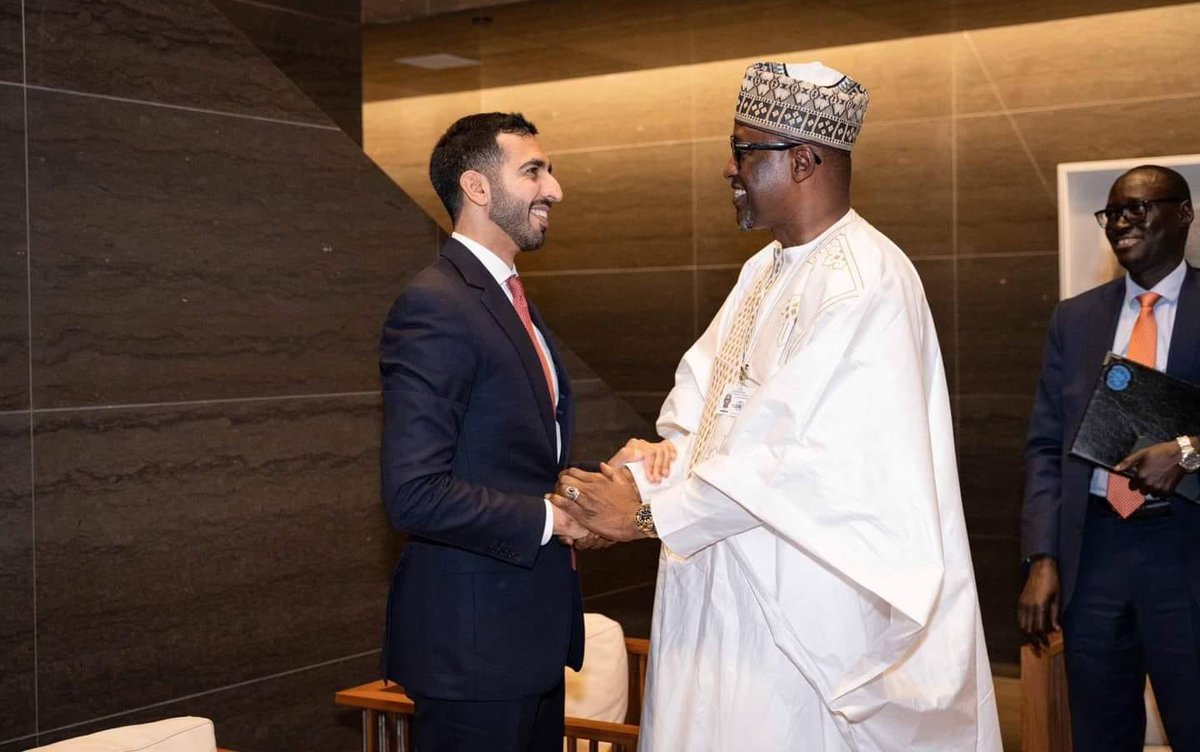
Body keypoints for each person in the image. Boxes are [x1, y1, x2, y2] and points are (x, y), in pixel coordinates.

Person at [551, 62, 1001, 751]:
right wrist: (636, 477)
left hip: (803, 613)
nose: (728, 169)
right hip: (718, 576)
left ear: (803, 160)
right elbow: (698, 414)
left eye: (743, 150)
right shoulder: (763, 270)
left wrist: (643, 516)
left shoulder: (869, 283)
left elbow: (794, 462)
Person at [379, 112, 590, 752]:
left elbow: (513, 458)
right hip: (474, 654)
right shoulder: (437, 304)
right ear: (476, 188)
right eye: (532, 170)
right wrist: (554, 520)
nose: (553, 189)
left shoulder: (505, 298)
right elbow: (414, 492)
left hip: (524, 642)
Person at [1019, 164, 1200, 751]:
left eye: (1139, 208)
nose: (1122, 222)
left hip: (1184, 553)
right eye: (1113, 212)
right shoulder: (1075, 319)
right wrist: (1044, 558)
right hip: (1093, 554)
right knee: (1098, 735)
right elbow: (1047, 445)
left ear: (1185, 214)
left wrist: (1188, 453)